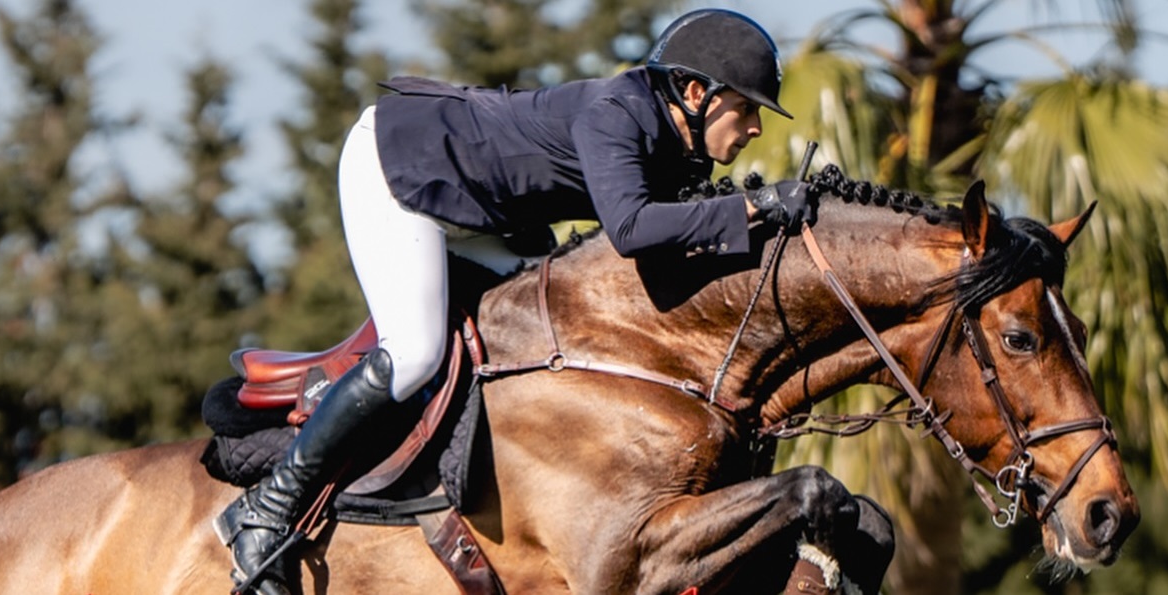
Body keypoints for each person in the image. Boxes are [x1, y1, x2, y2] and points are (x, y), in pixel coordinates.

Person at [213, 8, 818, 594]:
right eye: (745, 109)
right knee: (417, 352)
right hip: (401, 169)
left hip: (485, 209)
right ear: (693, 91)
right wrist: (754, 207)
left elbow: (677, 237)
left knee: (543, 316)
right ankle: (265, 513)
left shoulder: (674, 141)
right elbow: (633, 231)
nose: (756, 128)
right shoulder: (619, 113)